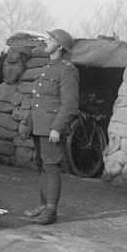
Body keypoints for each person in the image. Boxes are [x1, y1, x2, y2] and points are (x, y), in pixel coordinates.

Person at [19, 28, 79, 225]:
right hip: (39, 126)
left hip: (51, 128)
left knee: (51, 167)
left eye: (51, 39)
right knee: (42, 166)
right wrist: (28, 123)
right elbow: (37, 100)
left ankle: (51, 211)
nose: (47, 41)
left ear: (60, 46)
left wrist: (57, 127)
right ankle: (43, 205)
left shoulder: (67, 70)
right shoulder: (47, 67)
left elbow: (70, 104)